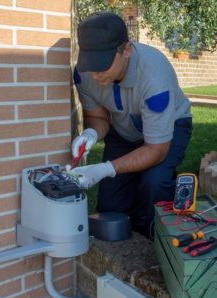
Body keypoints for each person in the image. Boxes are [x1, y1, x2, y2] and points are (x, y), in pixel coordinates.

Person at [70, 11, 193, 239]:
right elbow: (99, 118)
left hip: (169, 129)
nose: (95, 74)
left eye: (103, 64)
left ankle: (153, 236)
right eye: (91, 64)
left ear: (126, 50)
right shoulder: (84, 74)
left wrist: (107, 168)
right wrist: (90, 133)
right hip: (123, 128)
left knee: (154, 183)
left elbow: (156, 150)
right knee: (109, 208)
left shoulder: (154, 77)